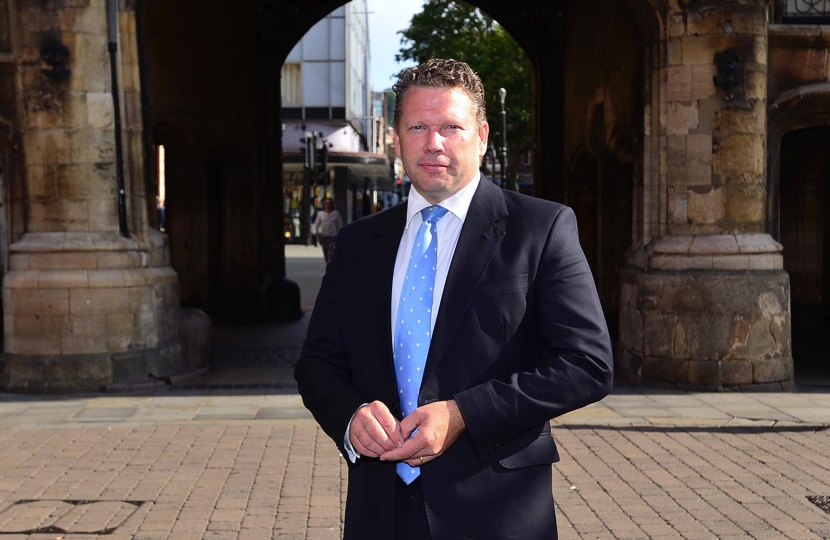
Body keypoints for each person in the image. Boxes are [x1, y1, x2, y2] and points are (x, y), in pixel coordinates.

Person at [295, 58, 613, 540]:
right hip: (380, 512)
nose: (434, 143)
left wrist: (464, 413)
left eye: (451, 127)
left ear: (482, 136)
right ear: (397, 138)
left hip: (497, 510)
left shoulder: (540, 228)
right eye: (418, 126)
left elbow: (587, 363)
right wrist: (349, 415)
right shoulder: (359, 244)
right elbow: (318, 363)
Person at [312, 197, 343, 263]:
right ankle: (329, 266)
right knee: (326, 255)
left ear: (332, 205)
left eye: (329, 203)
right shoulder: (320, 214)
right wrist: (314, 231)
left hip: (333, 237)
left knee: (330, 254)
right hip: (324, 237)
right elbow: (316, 224)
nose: (327, 205)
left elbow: (339, 226)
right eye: (326, 203)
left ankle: (330, 269)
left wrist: (341, 236)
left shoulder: (336, 214)